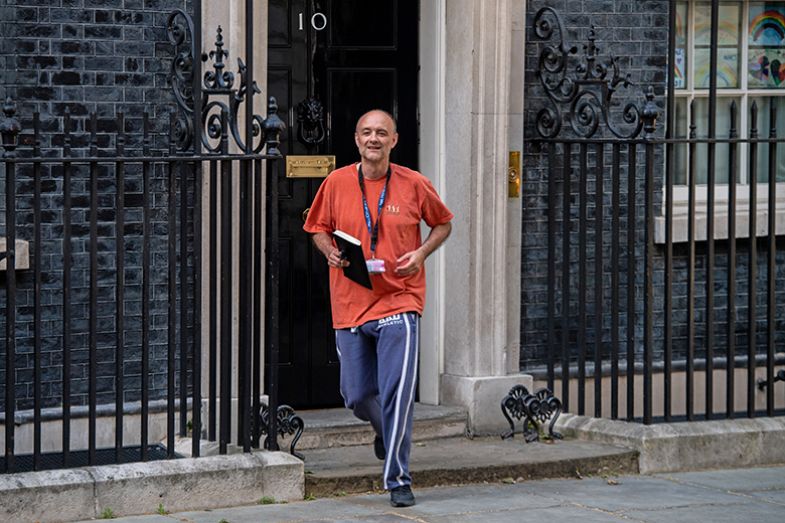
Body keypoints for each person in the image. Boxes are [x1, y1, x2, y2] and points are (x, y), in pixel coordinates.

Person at [303, 110, 453, 507]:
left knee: (397, 391)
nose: (374, 138)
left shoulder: (414, 184)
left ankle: (398, 480)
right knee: (355, 394)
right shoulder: (336, 182)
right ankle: (387, 431)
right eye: (367, 132)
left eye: (381, 133)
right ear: (356, 139)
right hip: (350, 301)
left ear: (394, 140)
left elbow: (443, 223)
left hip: (399, 298)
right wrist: (329, 251)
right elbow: (316, 227)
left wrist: (421, 253)